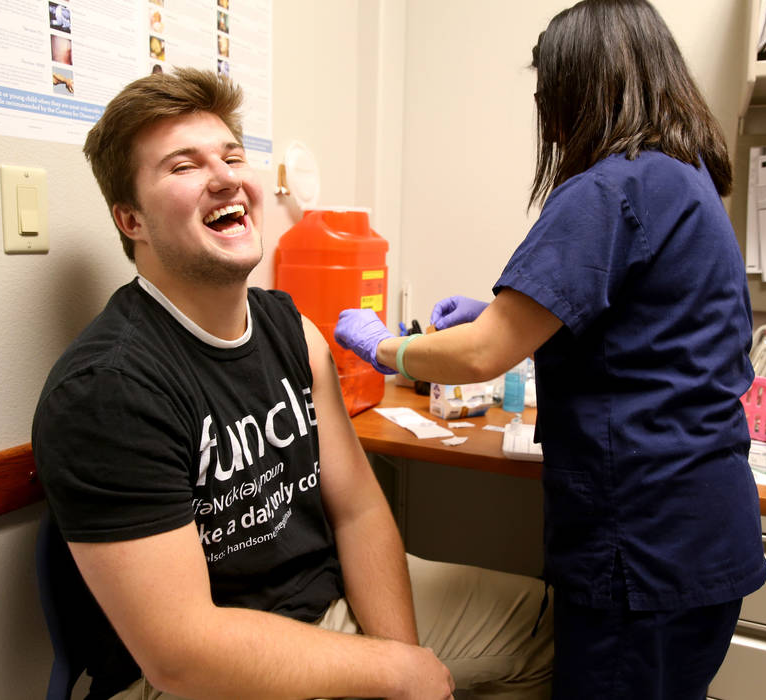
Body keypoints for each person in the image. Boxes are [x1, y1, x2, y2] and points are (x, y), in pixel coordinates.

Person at [32, 67, 552, 700]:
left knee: (556, 630)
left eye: (231, 155)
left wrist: (401, 656)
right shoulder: (107, 389)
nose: (225, 176)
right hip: (196, 672)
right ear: (131, 218)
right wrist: (395, 674)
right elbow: (181, 655)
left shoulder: (290, 329)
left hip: (325, 609)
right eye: (182, 166)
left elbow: (359, 511)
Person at [335, 1, 766, 698]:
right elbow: (638, 323)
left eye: (549, 97)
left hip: (643, 547)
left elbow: (481, 357)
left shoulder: (611, 187)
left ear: (578, 89)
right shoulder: (684, 179)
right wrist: (504, 311)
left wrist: (385, 347)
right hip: (707, 534)